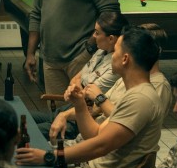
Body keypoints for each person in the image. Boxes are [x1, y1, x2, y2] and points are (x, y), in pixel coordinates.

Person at [16, 27, 165, 168]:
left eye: (116, 50)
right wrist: (80, 104)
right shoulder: (133, 93)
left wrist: (49, 157)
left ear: (125, 59)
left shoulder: (140, 99)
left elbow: (101, 146)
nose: (112, 56)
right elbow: (94, 134)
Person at [33, 12, 126, 141]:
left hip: (81, 118)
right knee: (24, 117)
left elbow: (87, 94)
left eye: (97, 33)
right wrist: (78, 89)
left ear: (110, 39)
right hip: (69, 108)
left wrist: (78, 90)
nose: (93, 36)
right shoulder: (100, 51)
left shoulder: (116, 66)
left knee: (27, 131)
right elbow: (76, 78)